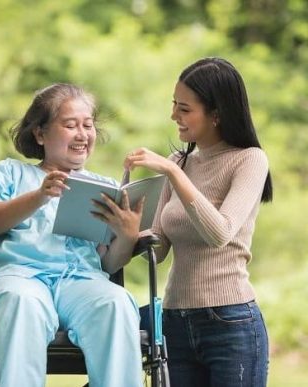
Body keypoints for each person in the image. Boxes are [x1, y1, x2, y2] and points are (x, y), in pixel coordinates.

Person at [0, 83, 145, 387]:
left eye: (88, 125)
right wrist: (39, 196)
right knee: (22, 301)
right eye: (70, 125)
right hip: (18, 277)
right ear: (40, 134)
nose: (82, 134)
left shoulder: (103, 186)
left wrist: (126, 234)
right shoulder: (9, 173)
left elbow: (109, 264)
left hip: (81, 282)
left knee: (116, 302)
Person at [124, 57, 272, 387]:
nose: (174, 115)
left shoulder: (249, 160)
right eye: (174, 105)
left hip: (230, 321)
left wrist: (174, 173)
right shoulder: (180, 161)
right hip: (175, 320)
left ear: (216, 114)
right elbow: (159, 249)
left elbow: (220, 231)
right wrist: (127, 226)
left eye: (184, 108)